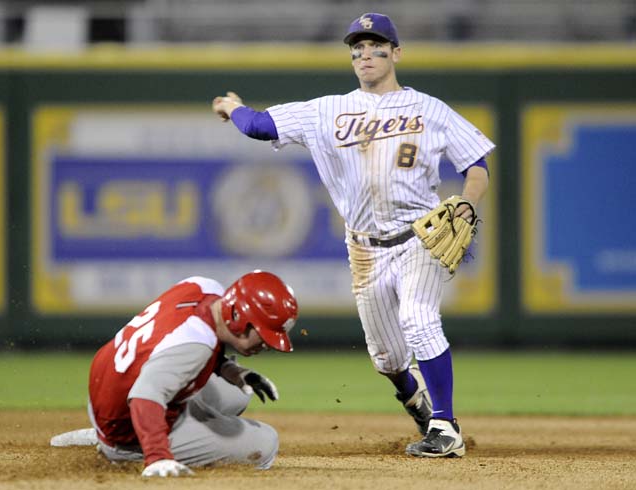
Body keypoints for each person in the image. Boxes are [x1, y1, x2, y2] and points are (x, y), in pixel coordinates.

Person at [212, 12, 494, 458]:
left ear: (396, 53)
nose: (365, 54)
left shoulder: (429, 109)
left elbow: (477, 164)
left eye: (375, 45)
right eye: (357, 48)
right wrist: (232, 109)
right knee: (386, 357)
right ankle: (417, 402)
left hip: (421, 237)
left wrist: (468, 202)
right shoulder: (326, 111)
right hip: (364, 250)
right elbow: (260, 125)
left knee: (419, 318)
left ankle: (446, 427)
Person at [50, 270, 298, 477]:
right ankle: (124, 449)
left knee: (238, 394)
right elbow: (144, 395)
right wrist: (158, 458)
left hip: (111, 388)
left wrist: (233, 372)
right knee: (265, 443)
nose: (267, 345)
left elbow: (173, 343)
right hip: (126, 427)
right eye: (265, 335)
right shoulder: (194, 346)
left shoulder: (203, 288)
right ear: (238, 318)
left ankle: (107, 432)